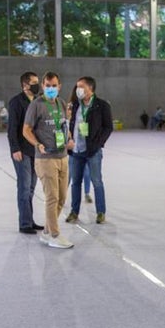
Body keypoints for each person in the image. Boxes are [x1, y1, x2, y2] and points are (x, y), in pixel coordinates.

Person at [22, 71, 74, 249]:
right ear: (43, 86)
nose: (51, 88)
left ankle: (46, 231)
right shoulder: (36, 105)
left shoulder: (61, 103)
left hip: (62, 156)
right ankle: (55, 235)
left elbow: (64, 125)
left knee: (61, 198)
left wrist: (70, 138)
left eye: (54, 86)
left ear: (59, 86)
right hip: (45, 159)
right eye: (48, 85)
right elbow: (26, 130)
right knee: (52, 198)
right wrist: (37, 144)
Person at [65, 76, 114, 225]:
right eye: (77, 87)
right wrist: (69, 140)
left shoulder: (102, 105)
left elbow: (108, 127)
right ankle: (74, 212)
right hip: (76, 151)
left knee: (96, 181)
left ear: (90, 88)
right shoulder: (74, 105)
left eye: (81, 87)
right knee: (75, 183)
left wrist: (98, 143)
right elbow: (69, 124)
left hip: (93, 151)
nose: (78, 90)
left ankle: (101, 212)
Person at [7, 71, 43, 235]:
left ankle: (29, 220)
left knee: (31, 188)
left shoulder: (38, 101)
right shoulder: (16, 102)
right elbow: (12, 128)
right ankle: (24, 223)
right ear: (25, 85)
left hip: (35, 149)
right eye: (34, 82)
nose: (37, 85)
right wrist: (15, 149)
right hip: (22, 150)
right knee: (24, 187)